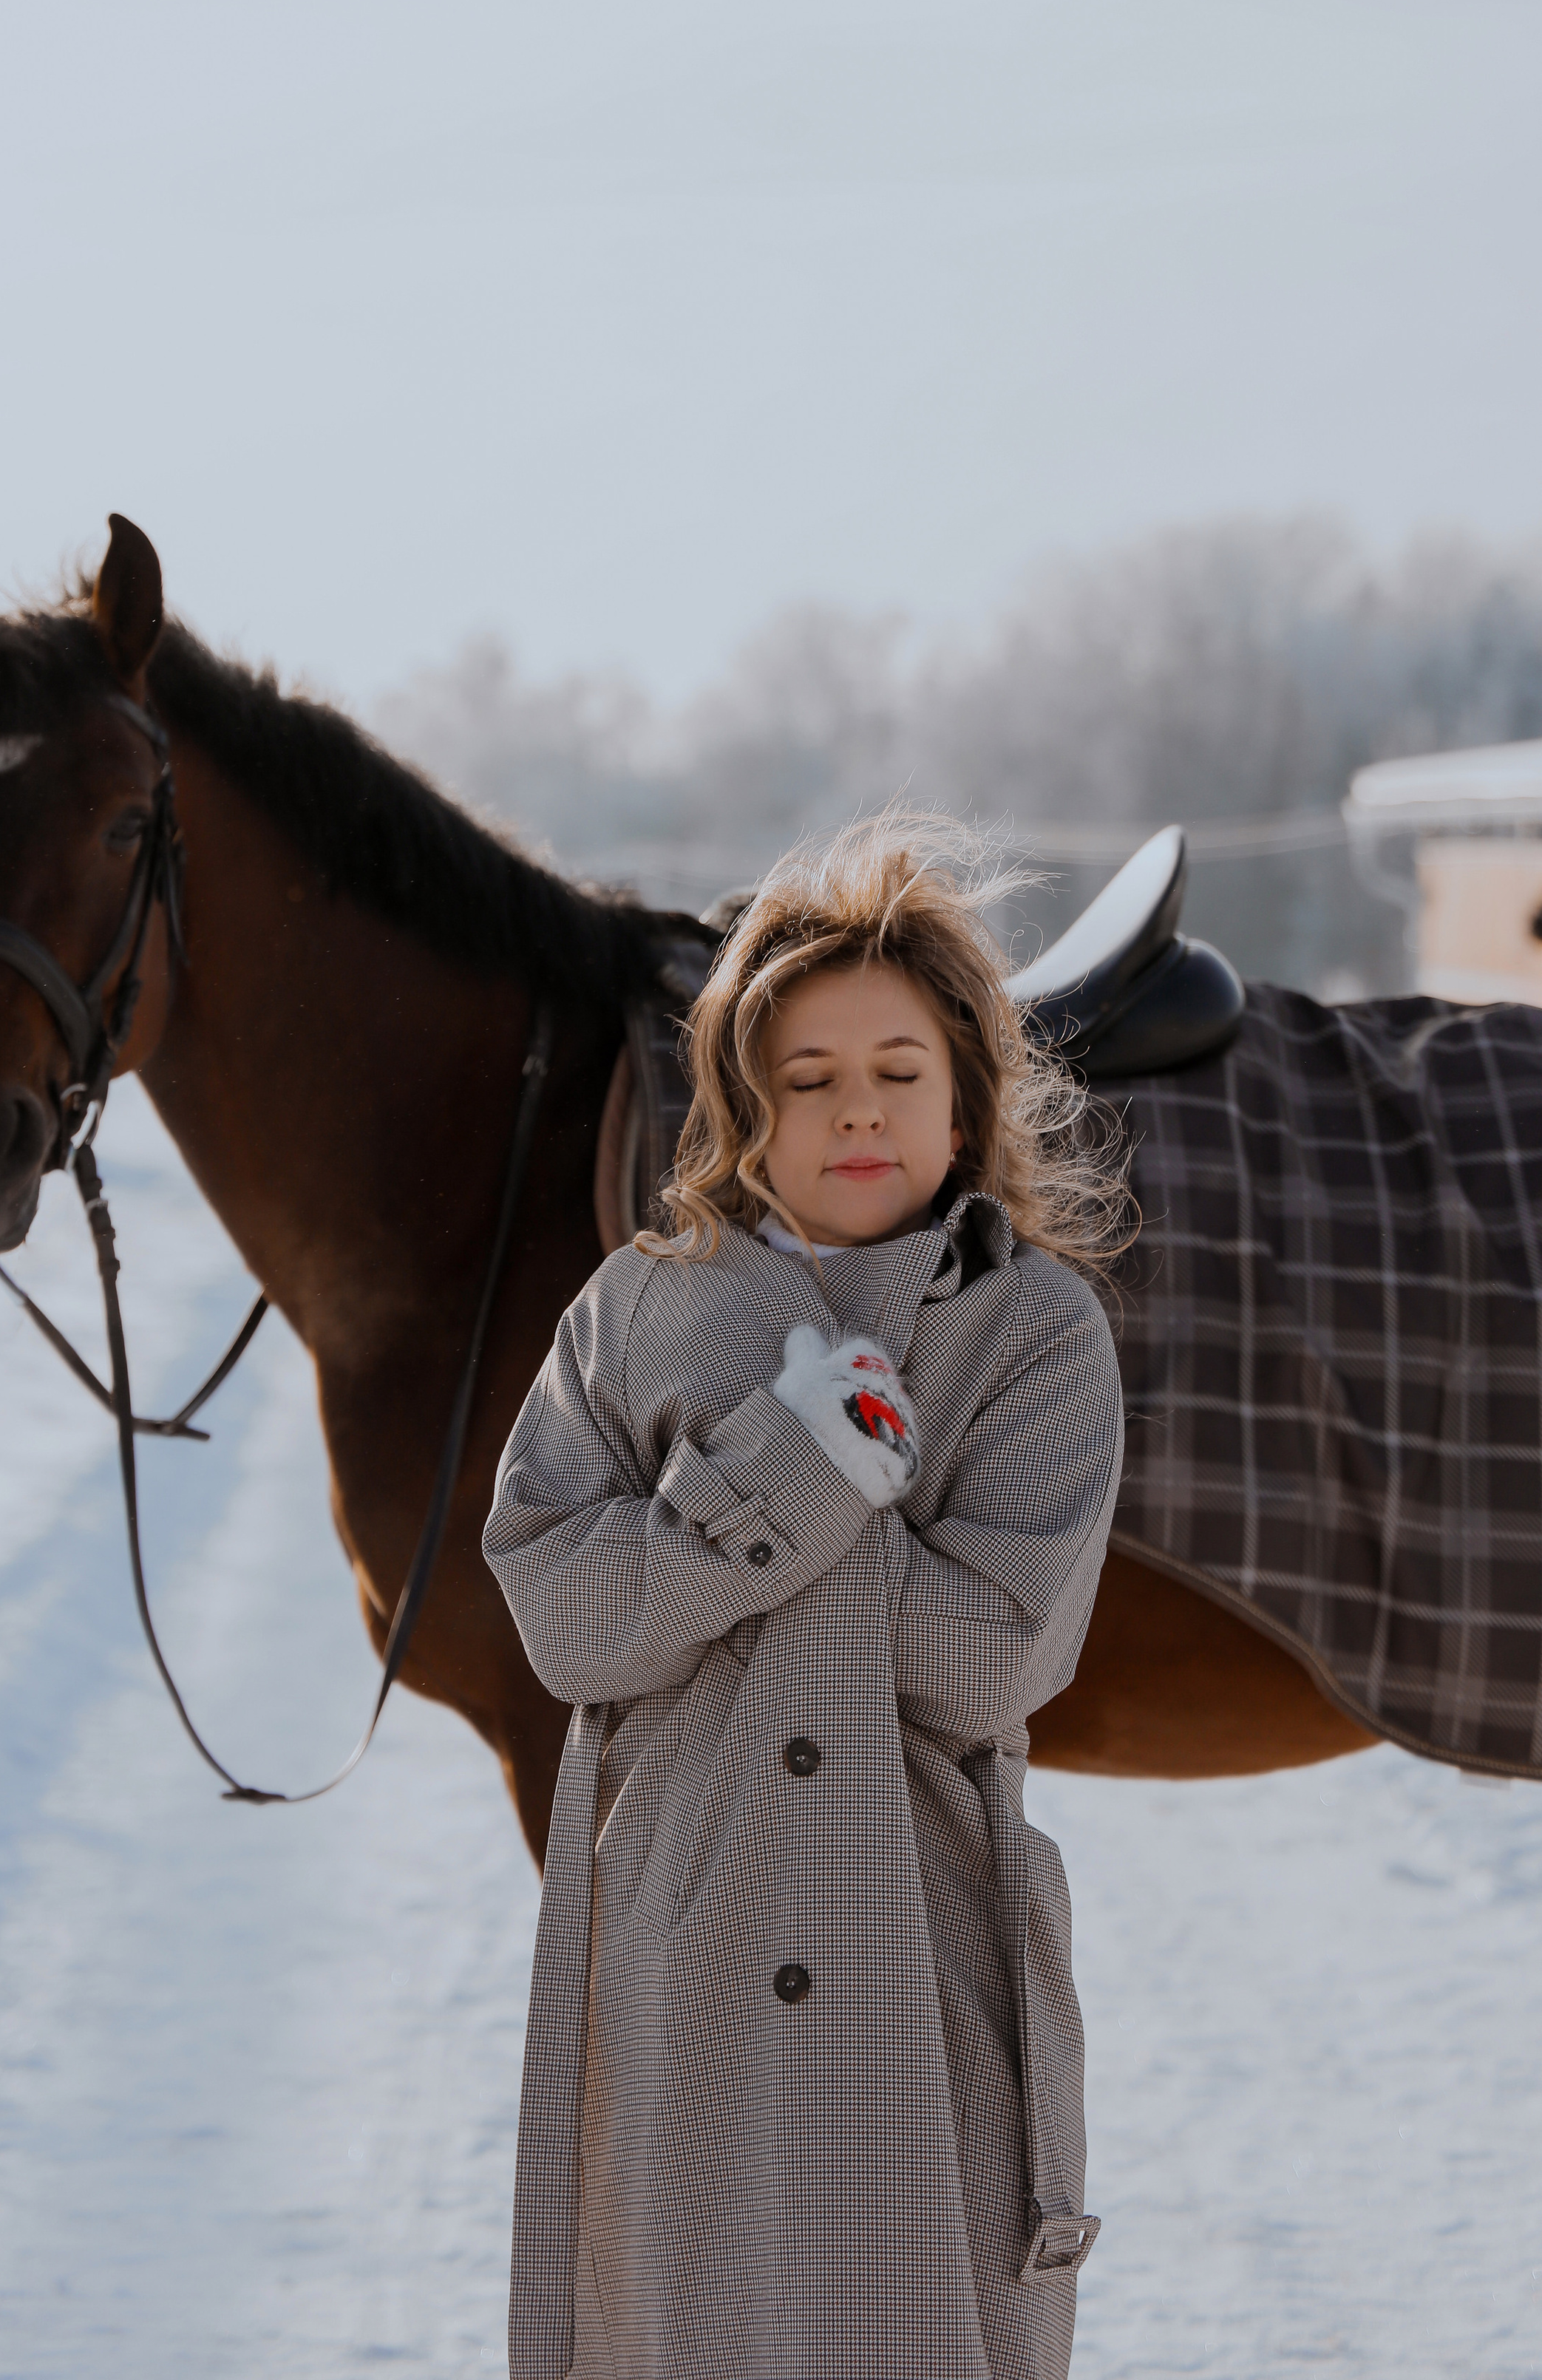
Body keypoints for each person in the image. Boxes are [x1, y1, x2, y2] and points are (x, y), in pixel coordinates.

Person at [483, 812, 1134, 2380]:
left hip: (922, 1976)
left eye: (898, 1074)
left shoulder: (1034, 1336)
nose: (858, 1113)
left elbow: (989, 1658)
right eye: (809, 1080)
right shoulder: (634, 1311)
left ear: (965, 1095)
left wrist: (732, 1547)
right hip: (680, 1952)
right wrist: (791, 1469)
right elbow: (566, 1624)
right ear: (740, 1109)